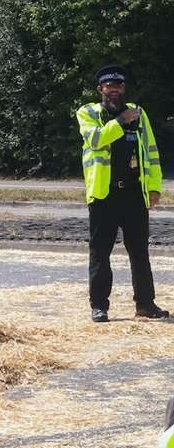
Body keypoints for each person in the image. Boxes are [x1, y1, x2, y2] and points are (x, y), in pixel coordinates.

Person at [78, 65, 168, 322]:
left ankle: (146, 304)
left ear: (123, 89)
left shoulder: (139, 114)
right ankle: (99, 306)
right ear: (100, 89)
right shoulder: (88, 112)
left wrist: (154, 187)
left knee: (139, 251)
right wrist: (120, 121)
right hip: (103, 195)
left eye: (118, 86)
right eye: (109, 86)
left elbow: (151, 151)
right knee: (100, 252)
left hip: (134, 194)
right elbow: (96, 140)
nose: (114, 90)